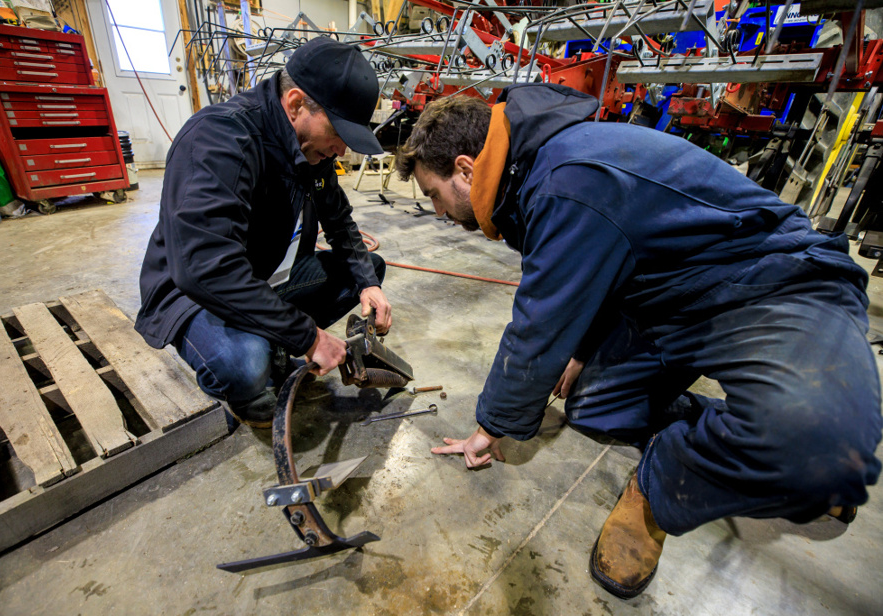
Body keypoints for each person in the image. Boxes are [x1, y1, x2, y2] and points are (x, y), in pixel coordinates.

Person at [394, 85, 882, 599]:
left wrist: (490, 427)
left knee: (811, 435)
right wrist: (582, 351)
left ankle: (667, 483)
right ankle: (758, 438)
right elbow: (598, 266)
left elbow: (538, 323)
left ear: (467, 169)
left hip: (777, 286)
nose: (439, 212)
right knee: (596, 409)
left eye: (433, 194)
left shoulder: (566, 180)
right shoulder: (529, 175)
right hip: (673, 305)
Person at [135, 38, 393, 428]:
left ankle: (269, 334)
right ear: (295, 104)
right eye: (338, 132)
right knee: (245, 364)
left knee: (364, 269)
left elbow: (338, 221)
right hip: (191, 294)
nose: (342, 150)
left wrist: (368, 284)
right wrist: (307, 337)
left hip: (253, 279)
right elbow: (207, 270)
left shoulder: (311, 147)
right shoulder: (218, 140)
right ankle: (250, 381)